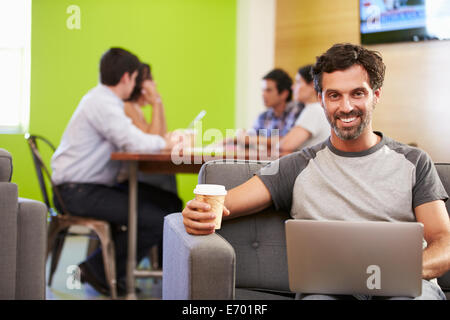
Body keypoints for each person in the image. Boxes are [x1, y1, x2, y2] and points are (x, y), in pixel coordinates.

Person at [181, 43, 450, 300]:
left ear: (375, 95)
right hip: (327, 289)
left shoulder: (414, 162)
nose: (346, 107)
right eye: (334, 95)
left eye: (357, 93)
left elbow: (443, 243)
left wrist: (389, 272)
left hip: (405, 285)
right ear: (321, 99)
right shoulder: (296, 165)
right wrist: (197, 211)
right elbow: (223, 204)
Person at [51, 48, 182, 296]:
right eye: (135, 79)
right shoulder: (102, 103)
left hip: (88, 187)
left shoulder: (103, 101)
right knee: (157, 220)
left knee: (170, 203)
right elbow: (132, 141)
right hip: (77, 192)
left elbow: (136, 138)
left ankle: (165, 271)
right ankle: (96, 270)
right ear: (127, 78)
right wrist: (167, 144)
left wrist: (163, 142)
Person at [119, 63, 177, 195]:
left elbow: (159, 137)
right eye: (149, 79)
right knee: (167, 180)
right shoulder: (127, 106)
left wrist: (159, 101)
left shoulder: (136, 108)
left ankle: (172, 210)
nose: (154, 84)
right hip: (131, 176)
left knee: (169, 178)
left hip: (138, 172)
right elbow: (154, 140)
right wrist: (156, 102)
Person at [278, 64, 330, 152]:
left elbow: (284, 146)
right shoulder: (319, 108)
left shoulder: (314, 110)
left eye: (298, 82)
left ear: (312, 85)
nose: (293, 87)